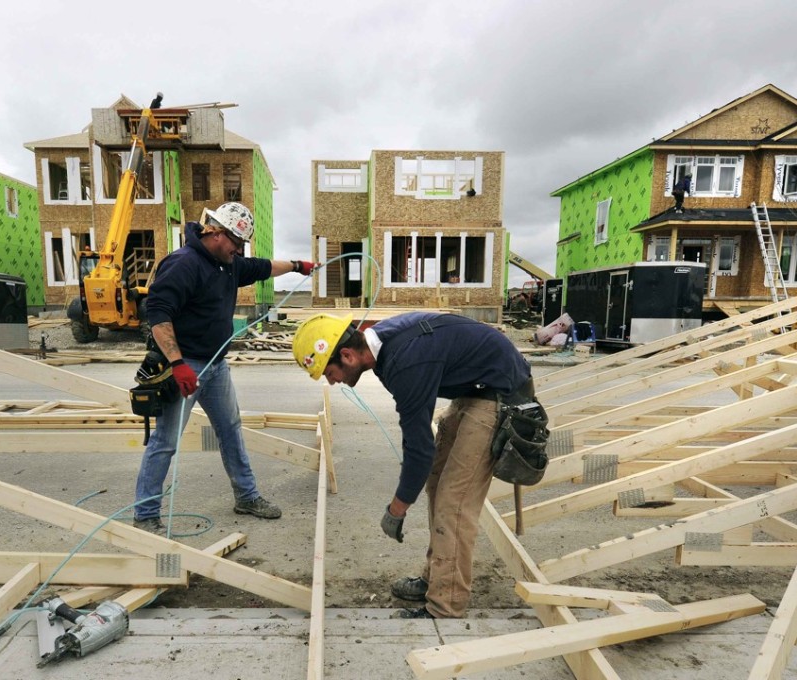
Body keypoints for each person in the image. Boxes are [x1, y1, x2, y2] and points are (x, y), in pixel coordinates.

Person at [291, 312, 537, 619]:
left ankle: (445, 606)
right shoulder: (381, 348)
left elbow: (418, 450)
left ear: (347, 355)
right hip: (474, 389)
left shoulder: (405, 362)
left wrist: (396, 509)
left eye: (329, 373)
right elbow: (423, 450)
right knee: (437, 481)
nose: (332, 381)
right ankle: (437, 577)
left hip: (500, 395)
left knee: (454, 502)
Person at [133, 202, 315, 535]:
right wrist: (176, 364)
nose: (238, 250)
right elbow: (157, 315)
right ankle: (145, 514)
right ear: (215, 232)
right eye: (235, 242)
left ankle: (246, 497)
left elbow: (261, 267)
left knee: (230, 429)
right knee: (165, 441)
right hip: (184, 367)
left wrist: (297, 265)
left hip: (216, 366)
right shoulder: (184, 264)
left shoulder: (228, 263)